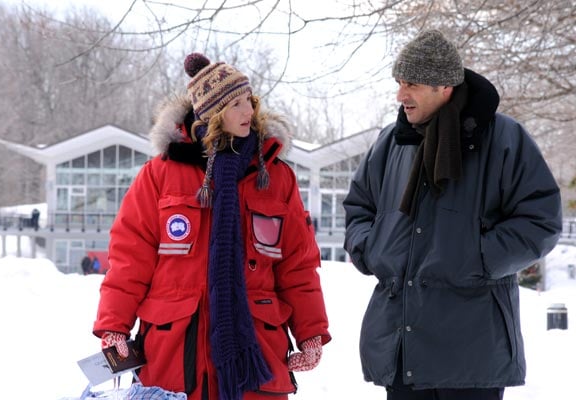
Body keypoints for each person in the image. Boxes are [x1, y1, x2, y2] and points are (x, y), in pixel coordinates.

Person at [93, 53, 331, 400]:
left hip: (256, 356)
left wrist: (310, 332)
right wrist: (114, 327)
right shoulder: (160, 176)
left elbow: (298, 264)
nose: (248, 112)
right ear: (212, 113)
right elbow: (130, 258)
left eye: (248, 100)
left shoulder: (276, 177)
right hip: (177, 355)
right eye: (236, 104)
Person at [343, 30, 562, 400]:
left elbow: (540, 220)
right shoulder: (391, 142)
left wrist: (478, 257)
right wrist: (370, 248)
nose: (400, 95)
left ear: (443, 87)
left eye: (410, 84)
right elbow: (359, 207)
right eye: (399, 83)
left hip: (472, 352)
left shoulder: (505, 139)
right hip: (402, 349)